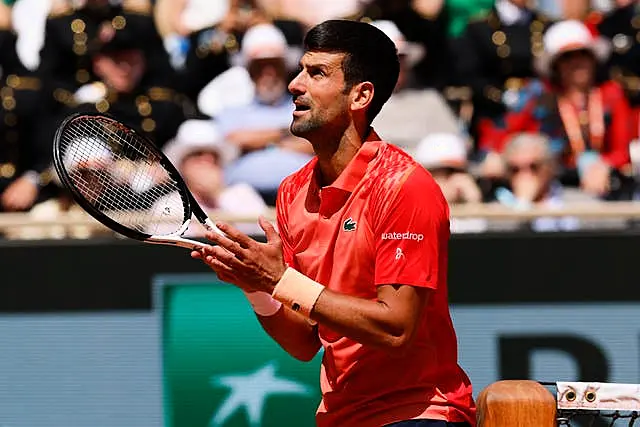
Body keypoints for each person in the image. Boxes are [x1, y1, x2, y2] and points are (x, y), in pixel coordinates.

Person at [191, 19, 475, 427]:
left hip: (419, 412)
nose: (295, 84)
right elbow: (305, 342)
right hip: (341, 416)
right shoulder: (293, 191)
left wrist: (279, 281)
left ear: (360, 96)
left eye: (317, 73)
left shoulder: (405, 186)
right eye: (301, 69)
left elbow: (397, 327)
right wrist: (256, 286)